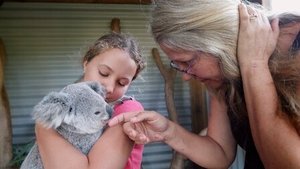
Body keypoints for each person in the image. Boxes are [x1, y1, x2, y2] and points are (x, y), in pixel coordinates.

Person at [109, 0, 300, 168]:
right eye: (178, 65)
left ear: (218, 42)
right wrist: (169, 132)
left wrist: (254, 64)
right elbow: (220, 154)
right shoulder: (224, 76)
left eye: (188, 61)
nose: (185, 76)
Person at [35, 32, 146, 169]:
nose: (109, 88)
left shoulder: (128, 111)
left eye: (122, 83)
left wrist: (43, 127)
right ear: (86, 63)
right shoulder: (72, 101)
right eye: (104, 73)